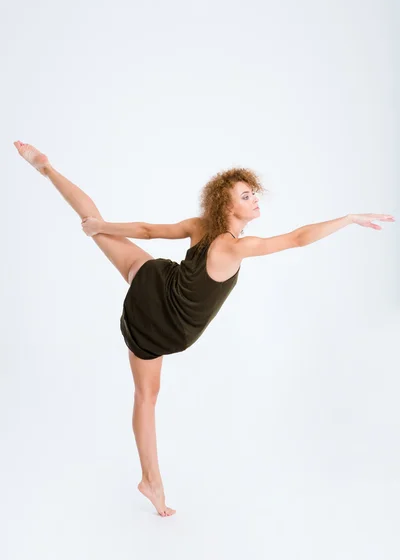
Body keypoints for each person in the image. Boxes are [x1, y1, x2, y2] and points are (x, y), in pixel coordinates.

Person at [13, 140, 395, 517]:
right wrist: (347, 219)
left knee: (99, 232)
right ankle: (151, 481)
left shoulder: (200, 227)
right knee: (146, 398)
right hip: (168, 323)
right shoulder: (233, 247)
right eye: (246, 196)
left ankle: (47, 169)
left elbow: (146, 230)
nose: (255, 200)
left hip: (153, 285)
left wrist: (100, 226)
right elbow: (297, 239)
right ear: (227, 205)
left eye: (252, 193)